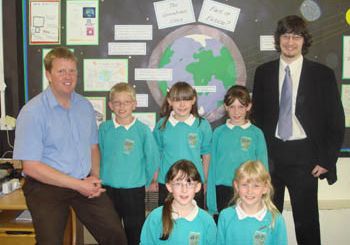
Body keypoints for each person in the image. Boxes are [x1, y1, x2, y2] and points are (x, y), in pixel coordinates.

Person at [13, 47, 127, 245]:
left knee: (115, 236)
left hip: (83, 181)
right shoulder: (32, 112)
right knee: (50, 242)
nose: (68, 76)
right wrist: (78, 185)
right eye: (61, 71)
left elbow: (93, 147)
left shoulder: (84, 106)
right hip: (46, 186)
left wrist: (95, 177)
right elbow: (31, 167)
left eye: (72, 71)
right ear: (48, 75)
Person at [252, 15, 345, 245]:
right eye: (285, 36)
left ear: (304, 40)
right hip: (270, 158)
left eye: (296, 36)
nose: (290, 42)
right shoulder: (263, 72)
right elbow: (257, 118)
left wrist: (326, 159)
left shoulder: (322, 75)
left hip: (305, 159)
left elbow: (336, 121)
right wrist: (258, 158)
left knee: (307, 224)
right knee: (265, 221)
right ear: (278, 39)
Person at [99, 82, 160, 245]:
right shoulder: (104, 129)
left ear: (134, 104)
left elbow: (153, 158)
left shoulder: (142, 130)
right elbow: (99, 155)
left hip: (134, 189)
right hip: (108, 189)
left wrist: (146, 181)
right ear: (110, 105)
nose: (121, 106)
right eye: (117, 102)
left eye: (126, 102)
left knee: (135, 231)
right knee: (111, 230)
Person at [207, 85, 268, 220]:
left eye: (241, 106)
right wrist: (212, 202)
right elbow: (211, 168)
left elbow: (263, 169)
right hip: (222, 191)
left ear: (249, 107)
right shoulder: (218, 133)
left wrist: (263, 197)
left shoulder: (256, 133)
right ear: (226, 107)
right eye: (232, 106)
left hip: (248, 191)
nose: (236, 111)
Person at [153, 82, 212, 208]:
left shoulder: (202, 125)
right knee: (167, 221)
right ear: (169, 101)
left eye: (186, 99)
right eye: (177, 100)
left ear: (193, 100)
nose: (182, 104)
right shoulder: (162, 125)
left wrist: (204, 180)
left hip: (194, 182)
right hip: (167, 182)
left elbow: (206, 154)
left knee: (194, 221)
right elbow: (156, 153)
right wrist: (155, 178)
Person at [140, 159, 217, 245]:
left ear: (198, 187)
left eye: (190, 184)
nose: (184, 190)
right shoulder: (155, 218)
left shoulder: (207, 222)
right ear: (169, 186)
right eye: (178, 184)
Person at [217, 160, 287, 245]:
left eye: (256, 186)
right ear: (236, 186)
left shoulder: (276, 219)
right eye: (244, 185)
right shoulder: (225, 216)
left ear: (265, 188)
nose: (249, 191)